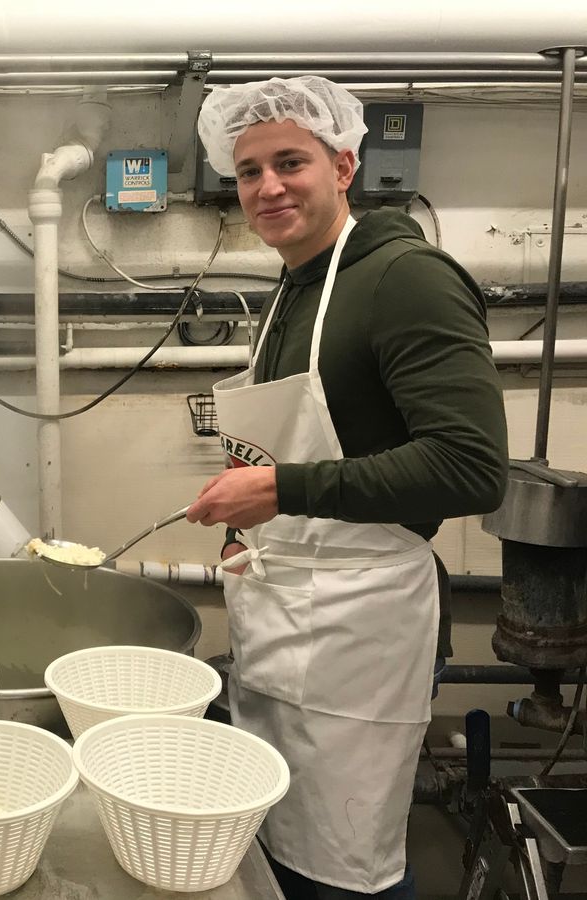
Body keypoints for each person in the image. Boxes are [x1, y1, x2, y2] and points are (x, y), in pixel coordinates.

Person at [188, 77, 508, 899]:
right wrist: (248, 522)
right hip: (284, 612)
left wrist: (284, 488)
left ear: (344, 163)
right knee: (281, 848)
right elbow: (312, 443)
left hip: (361, 628)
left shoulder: (406, 278)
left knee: (345, 863)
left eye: (289, 162)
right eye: (248, 171)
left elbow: (471, 466)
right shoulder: (293, 288)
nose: (268, 188)